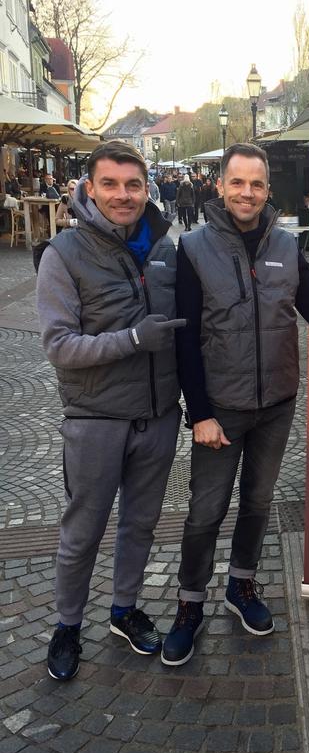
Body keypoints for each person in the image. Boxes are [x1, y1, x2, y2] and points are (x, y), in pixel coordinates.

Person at [161, 142, 309, 666]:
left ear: (268, 191)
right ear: (220, 186)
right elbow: (185, 338)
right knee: (204, 512)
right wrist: (199, 413)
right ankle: (189, 603)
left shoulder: (287, 246)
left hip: (277, 404)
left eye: (256, 184)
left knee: (259, 504)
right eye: (237, 182)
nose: (247, 192)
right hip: (221, 407)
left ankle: (241, 585)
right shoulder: (194, 248)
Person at [36, 140, 186, 681]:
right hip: (95, 419)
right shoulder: (64, 254)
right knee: (83, 531)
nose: (123, 196)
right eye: (111, 185)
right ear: (90, 189)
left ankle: (124, 610)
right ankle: (67, 626)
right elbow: (59, 346)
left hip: (159, 414)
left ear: (146, 189)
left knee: (140, 525)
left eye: (133, 185)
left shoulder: (166, 247)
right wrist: (131, 339)